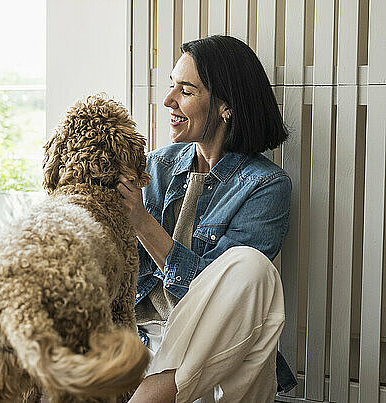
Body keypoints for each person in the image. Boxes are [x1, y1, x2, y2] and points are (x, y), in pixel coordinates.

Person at [116, 35, 297, 402]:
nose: (168, 101)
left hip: (213, 354)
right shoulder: (156, 166)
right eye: (172, 86)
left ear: (225, 106)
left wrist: (139, 219)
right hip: (144, 343)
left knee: (252, 268)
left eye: (185, 90)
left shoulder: (266, 186)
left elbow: (216, 297)